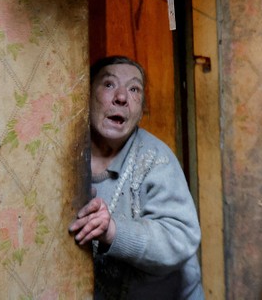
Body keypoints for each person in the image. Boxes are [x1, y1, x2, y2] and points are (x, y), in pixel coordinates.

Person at [69, 56, 204, 299]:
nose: (121, 97)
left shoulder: (155, 159)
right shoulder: (68, 157)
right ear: (85, 95)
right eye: (109, 84)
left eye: (134, 89)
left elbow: (181, 238)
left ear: (141, 109)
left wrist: (113, 231)